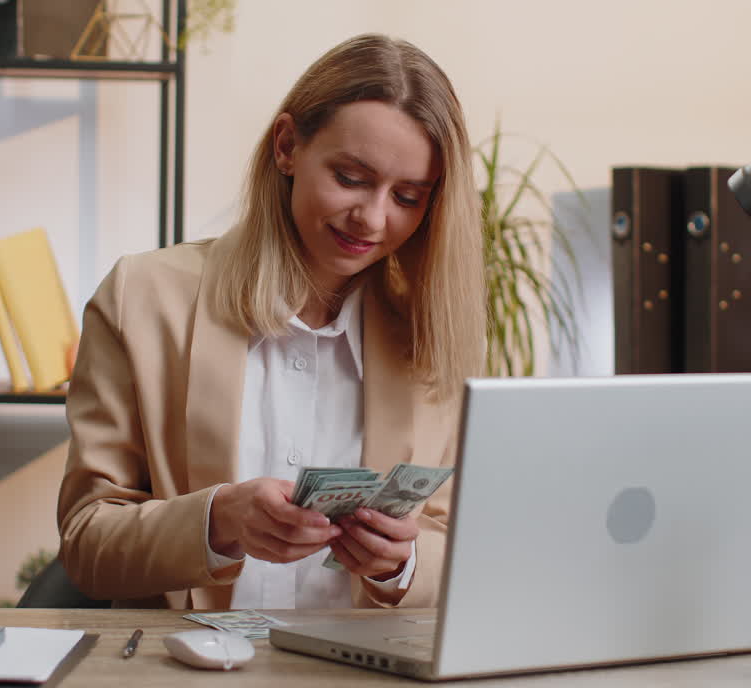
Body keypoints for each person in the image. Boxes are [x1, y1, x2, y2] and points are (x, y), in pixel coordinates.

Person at [57, 33, 485, 611]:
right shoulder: (143, 297)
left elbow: (467, 548)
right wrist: (217, 520)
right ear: (287, 146)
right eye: (352, 178)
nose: (372, 218)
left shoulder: (431, 335)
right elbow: (86, 545)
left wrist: (401, 564)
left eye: (408, 196)